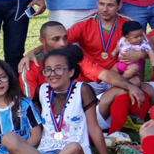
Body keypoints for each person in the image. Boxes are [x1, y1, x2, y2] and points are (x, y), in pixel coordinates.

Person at [18, 20, 146, 109]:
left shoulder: (73, 55)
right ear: (42, 41)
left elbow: (104, 74)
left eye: (65, 38)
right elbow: (30, 101)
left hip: (85, 105)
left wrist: (130, 86)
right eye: (56, 39)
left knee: (132, 82)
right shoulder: (31, 65)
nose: (63, 43)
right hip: (52, 114)